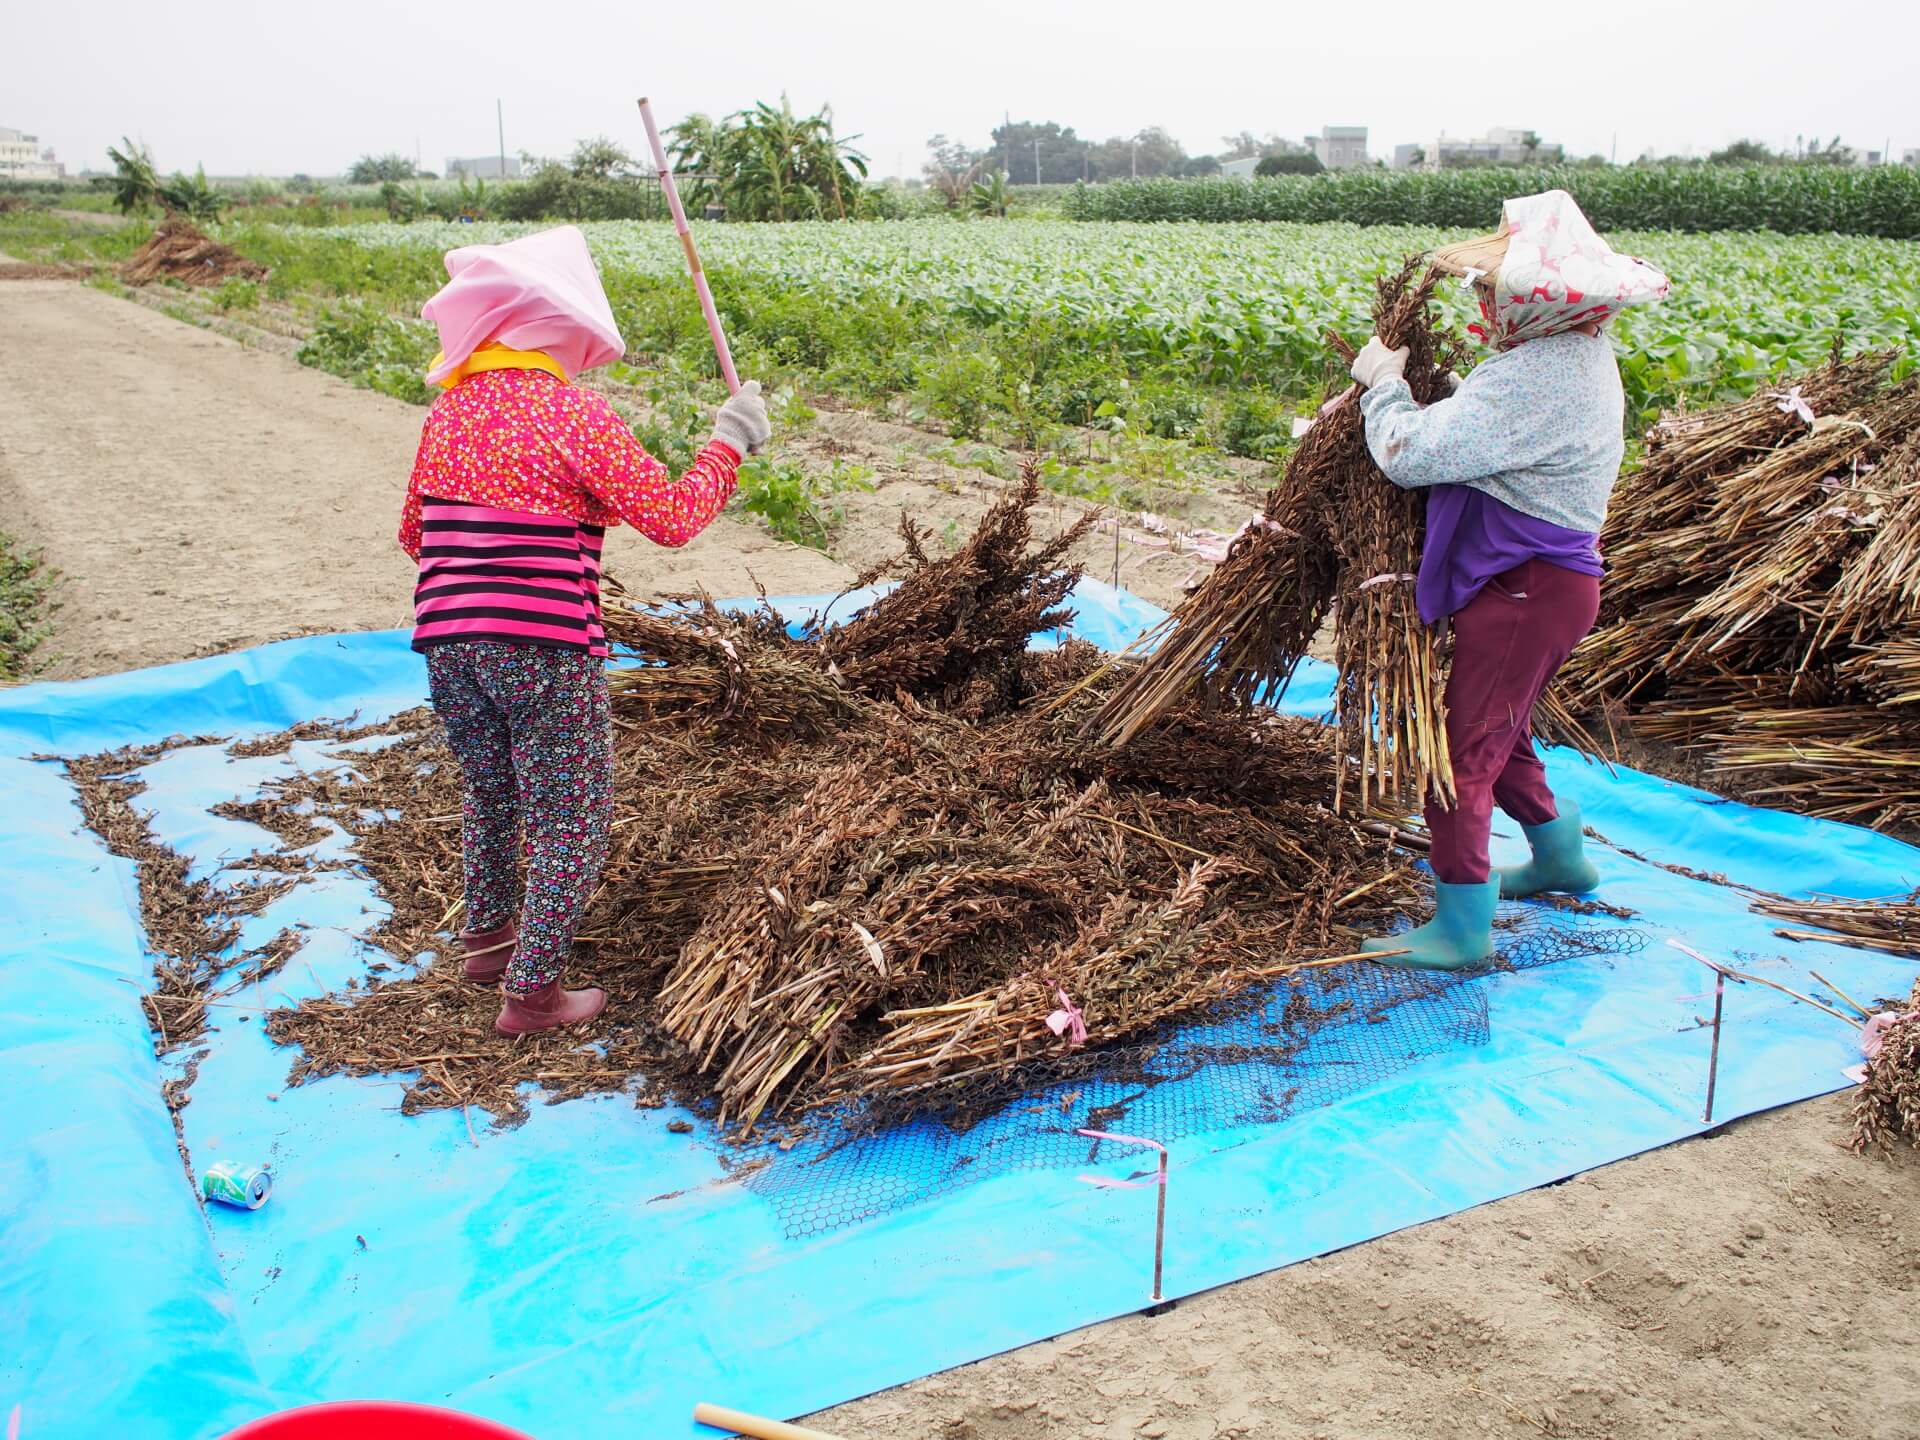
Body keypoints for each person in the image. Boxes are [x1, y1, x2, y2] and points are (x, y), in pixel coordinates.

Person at [397, 225, 770, 1033]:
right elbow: (672, 518)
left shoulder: (449, 415)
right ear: (555, 326)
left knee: (490, 791)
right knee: (573, 814)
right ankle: (532, 995)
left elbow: (416, 537)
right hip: (544, 648)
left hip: (447, 644)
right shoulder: (573, 416)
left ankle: (490, 942)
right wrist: (730, 440)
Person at [1345, 191, 1669, 970]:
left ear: (1535, 301)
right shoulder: (1575, 355)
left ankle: (1461, 928)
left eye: (1494, 292)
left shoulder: (1535, 376)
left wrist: (1383, 388)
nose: (1484, 304)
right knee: (1504, 727)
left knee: (1461, 751)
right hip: (1545, 587)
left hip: (1527, 589)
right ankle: (1562, 860)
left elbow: (1412, 455)